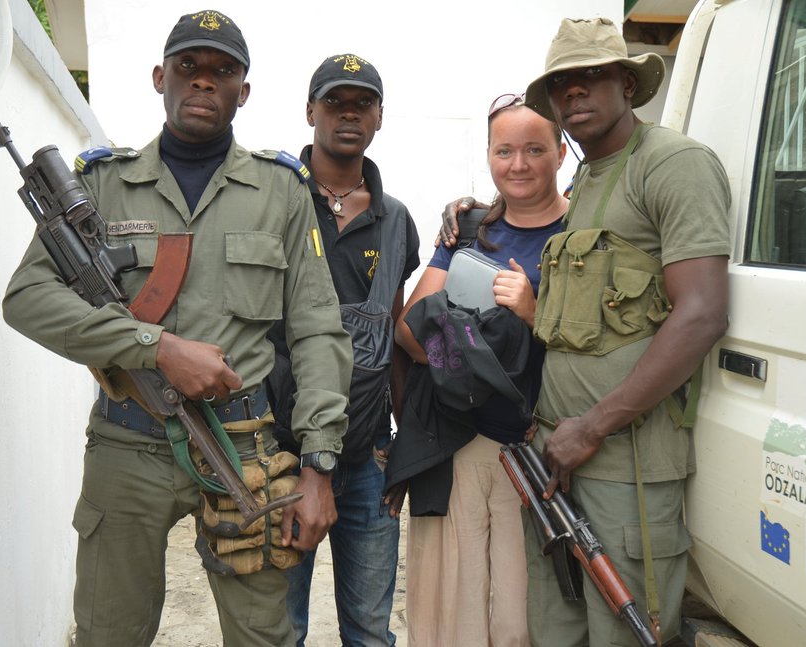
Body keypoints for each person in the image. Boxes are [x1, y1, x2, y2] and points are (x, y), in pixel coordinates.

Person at [1, 10, 353, 647]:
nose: (203, 82)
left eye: (222, 72)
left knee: (263, 636)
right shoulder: (102, 184)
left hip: (243, 446)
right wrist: (153, 346)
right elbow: (26, 297)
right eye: (188, 67)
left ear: (242, 91)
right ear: (160, 77)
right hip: (128, 441)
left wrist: (320, 465)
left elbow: (319, 331)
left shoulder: (282, 192)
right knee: (110, 633)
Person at [443, 18, 730, 647]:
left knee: (629, 631)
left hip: (623, 463)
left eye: (592, 77)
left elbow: (703, 314)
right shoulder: (588, 182)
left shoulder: (674, 164)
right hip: (556, 456)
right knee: (556, 630)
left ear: (627, 83)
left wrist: (592, 427)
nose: (575, 93)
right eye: (563, 83)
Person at [387, 95, 568, 647]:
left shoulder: (585, 234)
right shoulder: (468, 230)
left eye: (535, 149)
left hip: (538, 449)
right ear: (488, 155)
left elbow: (593, 347)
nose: (519, 164)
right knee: (454, 604)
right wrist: (477, 348)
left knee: (520, 613)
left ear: (561, 152)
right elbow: (413, 335)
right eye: (505, 150)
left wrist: (534, 313)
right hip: (460, 440)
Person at [266, 53, 420, 647]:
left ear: (380, 117)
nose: (348, 114)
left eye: (362, 103)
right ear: (311, 111)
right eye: (334, 101)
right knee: (282, 630)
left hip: (367, 459)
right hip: (281, 455)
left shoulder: (395, 220)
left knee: (370, 631)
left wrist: (404, 445)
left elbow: (396, 332)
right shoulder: (275, 199)